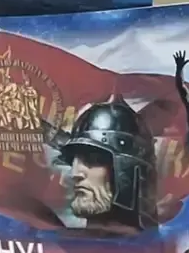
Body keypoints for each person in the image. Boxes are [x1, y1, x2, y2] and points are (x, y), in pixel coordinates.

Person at [55, 99, 157, 232]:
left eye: (93, 160)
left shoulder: (168, 243)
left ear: (127, 170)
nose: (75, 174)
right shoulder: (54, 243)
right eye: (73, 161)